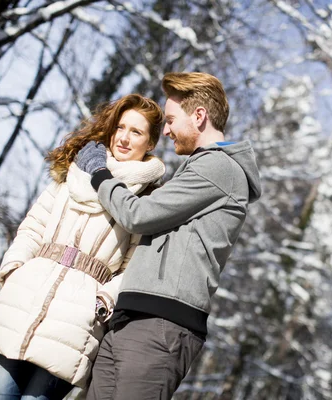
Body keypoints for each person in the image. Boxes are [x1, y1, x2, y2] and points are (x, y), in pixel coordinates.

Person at [74, 72, 262, 400]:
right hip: (133, 316)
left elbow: (139, 215)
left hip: (161, 324)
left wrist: (100, 174)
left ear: (199, 116)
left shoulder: (219, 168)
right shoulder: (199, 167)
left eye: (172, 119)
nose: (167, 130)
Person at [0, 94, 167, 400]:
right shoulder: (73, 173)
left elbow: (135, 267)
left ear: (151, 143)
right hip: (22, 300)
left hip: (77, 323)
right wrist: (15, 270)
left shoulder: (146, 201)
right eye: (121, 127)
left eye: (137, 132)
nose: (125, 138)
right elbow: (32, 227)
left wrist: (102, 301)